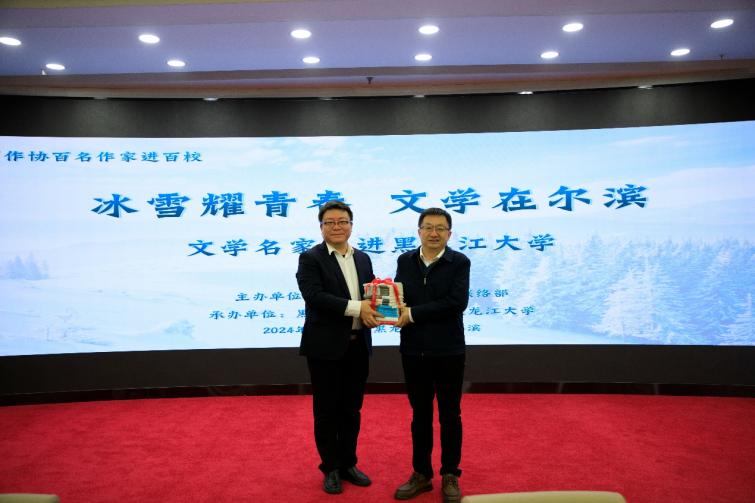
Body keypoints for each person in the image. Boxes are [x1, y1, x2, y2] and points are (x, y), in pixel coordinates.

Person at [296, 200, 382, 495]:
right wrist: (359, 308)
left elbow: (371, 296)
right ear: (321, 227)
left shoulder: (363, 258)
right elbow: (315, 296)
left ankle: (348, 463)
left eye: (342, 221)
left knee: (351, 409)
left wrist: (379, 312)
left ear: (351, 225)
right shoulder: (310, 258)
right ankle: (330, 467)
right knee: (326, 411)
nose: (337, 227)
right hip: (325, 348)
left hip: (358, 346)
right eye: (330, 222)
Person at [393, 207, 471, 503]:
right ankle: (421, 474)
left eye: (440, 228)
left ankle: (450, 473)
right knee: (420, 414)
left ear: (449, 233)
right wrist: (386, 306)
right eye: (428, 227)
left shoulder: (459, 261)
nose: (434, 233)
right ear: (419, 231)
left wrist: (412, 314)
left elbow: (456, 302)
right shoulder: (405, 260)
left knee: (450, 414)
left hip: (449, 349)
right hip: (413, 349)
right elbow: (399, 297)